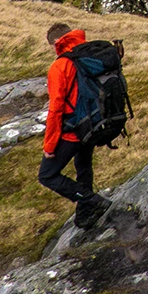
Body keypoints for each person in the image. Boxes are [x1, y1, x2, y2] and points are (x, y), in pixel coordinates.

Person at [41, 22, 110, 228]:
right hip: (92, 124)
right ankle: (84, 217)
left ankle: (92, 201)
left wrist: (50, 146)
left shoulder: (60, 66)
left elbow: (55, 110)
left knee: (47, 175)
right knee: (83, 167)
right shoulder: (88, 56)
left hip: (72, 131)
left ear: (56, 42)